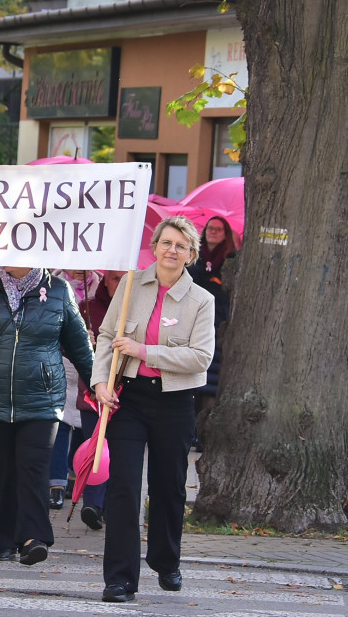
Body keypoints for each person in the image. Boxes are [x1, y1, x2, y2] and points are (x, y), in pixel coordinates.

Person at [91, 216, 215, 602]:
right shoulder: (130, 284)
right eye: (166, 243)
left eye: (180, 245)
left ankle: (165, 560)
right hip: (129, 398)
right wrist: (99, 384)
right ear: (155, 246)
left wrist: (145, 351)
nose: (171, 250)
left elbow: (201, 357)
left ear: (190, 254)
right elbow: (108, 336)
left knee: (168, 486)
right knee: (124, 487)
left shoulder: (202, 301)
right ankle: (119, 579)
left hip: (174, 401)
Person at [0, 265, 93, 566]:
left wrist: (99, 384)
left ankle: (32, 538)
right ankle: (0, 541)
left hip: (42, 397)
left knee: (34, 468)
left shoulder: (59, 290)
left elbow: (79, 345)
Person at [77, 268, 126, 530]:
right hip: (94, 390)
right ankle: (92, 504)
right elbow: (67, 344)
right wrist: (85, 341)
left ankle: (109, 505)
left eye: (124, 278)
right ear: (104, 280)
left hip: (126, 391)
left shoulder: (136, 309)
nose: (120, 283)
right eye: (115, 278)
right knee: (94, 447)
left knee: (118, 451)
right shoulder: (87, 307)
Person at [48, 269, 101, 509]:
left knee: (81, 424)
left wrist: (91, 339)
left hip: (86, 367)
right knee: (59, 425)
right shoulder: (53, 285)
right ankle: (55, 485)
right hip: (61, 363)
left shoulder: (98, 289)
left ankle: (73, 476)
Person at [186, 215, 237, 447]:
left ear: (225, 234)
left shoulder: (231, 258)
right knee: (192, 377)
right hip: (193, 322)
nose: (213, 232)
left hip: (217, 324)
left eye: (218, 229)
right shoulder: (195, 256)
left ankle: (203, 432)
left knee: (211, 379)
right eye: (209, 228)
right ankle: (189, 430)